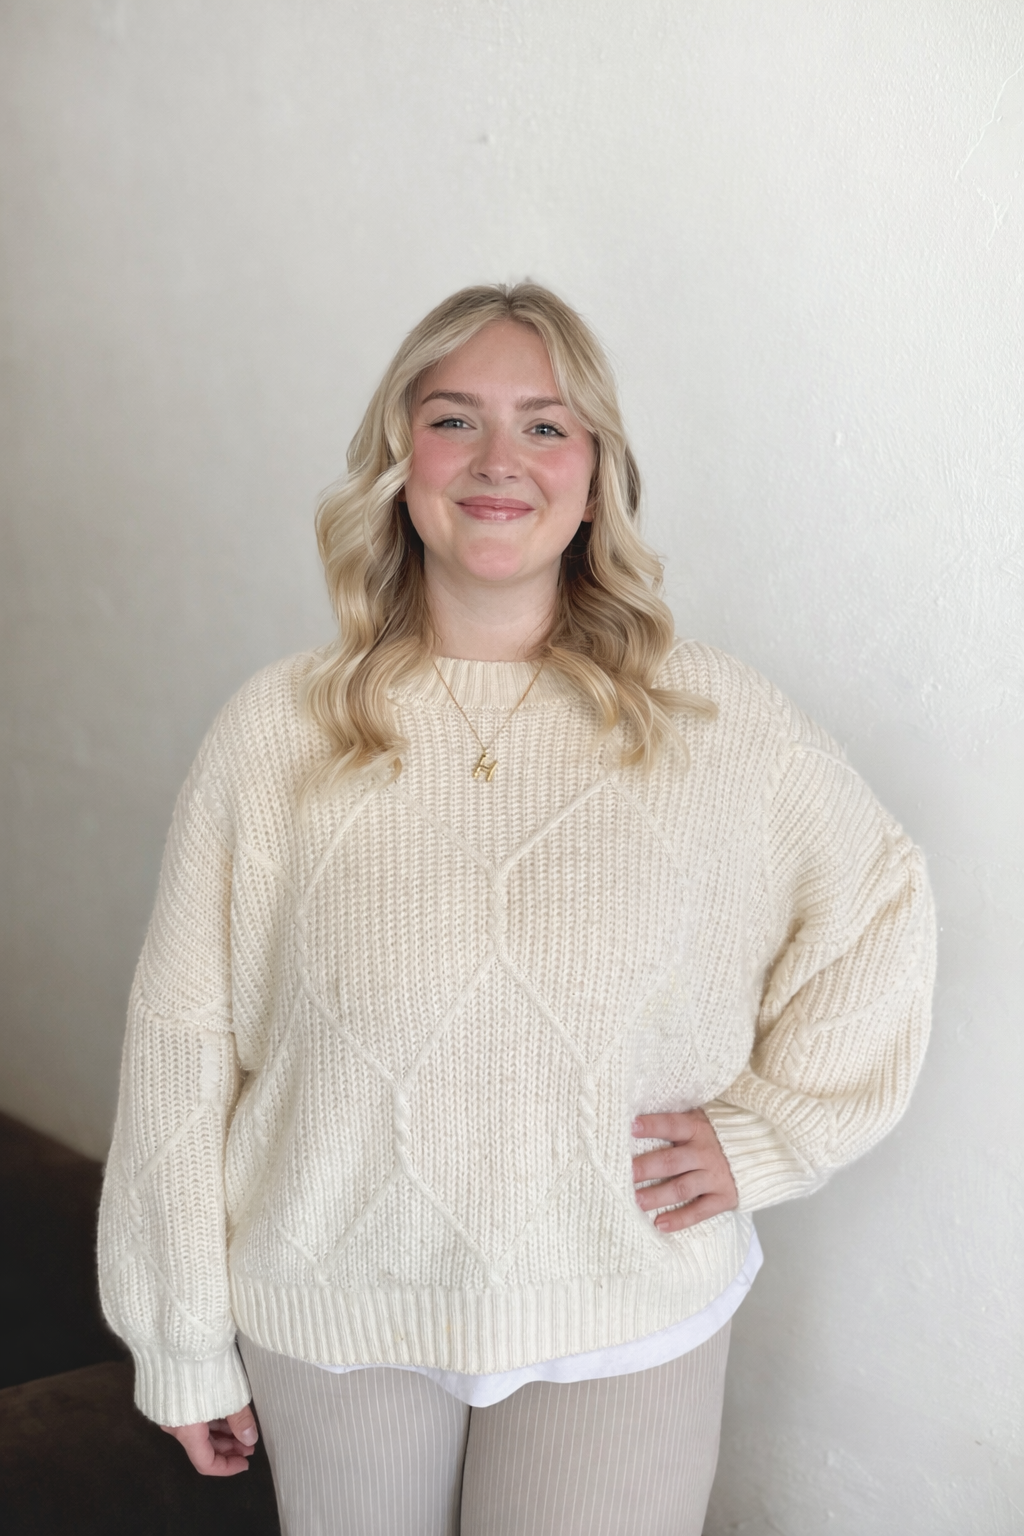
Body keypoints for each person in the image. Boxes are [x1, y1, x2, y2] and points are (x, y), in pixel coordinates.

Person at [98, 283, 935, 1536]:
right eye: (454, 420)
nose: (500, 460)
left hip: (620, 1305)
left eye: (546, 426)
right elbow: (180, 1041)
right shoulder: (275, 732)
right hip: (336, 1307)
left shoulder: (715, 723)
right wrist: (178, 1339)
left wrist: (770, 1134)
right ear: (401, 466)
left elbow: (879, 906)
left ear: (595, 482)